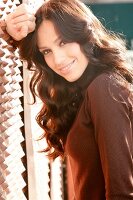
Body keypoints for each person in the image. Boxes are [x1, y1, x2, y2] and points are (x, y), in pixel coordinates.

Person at [1, 0, 133, 199]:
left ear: (84, 35)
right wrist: (7, 28)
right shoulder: (84, 89)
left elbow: (122, 193)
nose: (58, 59)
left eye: (63, 42)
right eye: (46, 51)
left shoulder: (105, 87)